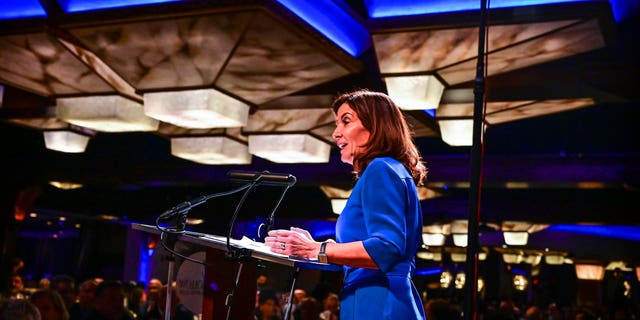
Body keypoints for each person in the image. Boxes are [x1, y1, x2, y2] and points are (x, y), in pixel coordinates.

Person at [264, 89, 427, 320]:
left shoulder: (380, 170)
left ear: (375, 125)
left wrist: (316, 249)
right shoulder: (390, 170)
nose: (336, 133)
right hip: (377, 298)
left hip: (378, 303)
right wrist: (317, 249)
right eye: (337, 123)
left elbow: (386, 247)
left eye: (346, 121)